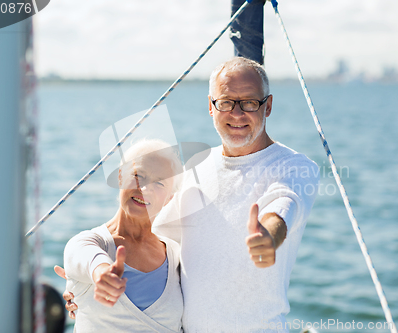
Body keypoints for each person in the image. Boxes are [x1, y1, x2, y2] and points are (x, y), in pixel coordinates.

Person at [63, 57, 319, 332]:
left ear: (267, 106)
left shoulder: (294, 166)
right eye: (226, 102)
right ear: (211, 107)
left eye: (249, 102)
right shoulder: (199, 166)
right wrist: (85, 287)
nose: (236, 113)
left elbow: (285, 203)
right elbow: (151, 233)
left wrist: (269, 236)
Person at [59, 139, 184, 332]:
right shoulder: (89, 243)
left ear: (169, 199)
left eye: (159, 183)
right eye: (138, 176)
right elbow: (86, 257)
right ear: (119, 176)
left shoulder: (176, 255)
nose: (144, 189)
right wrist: (103, 274)